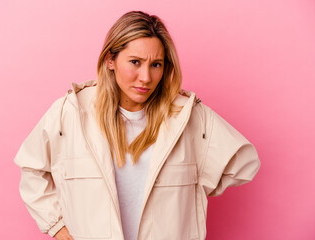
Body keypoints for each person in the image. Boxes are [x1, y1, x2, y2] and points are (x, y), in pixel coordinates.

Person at [14, 10, 261, 240]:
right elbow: (32, 170)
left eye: (156, 65)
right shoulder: (71, 113)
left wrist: (187, 193)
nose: (146, 77)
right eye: (135, 62)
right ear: (110, 60)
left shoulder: (187, 116)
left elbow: (244, 164)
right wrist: (57, 227)